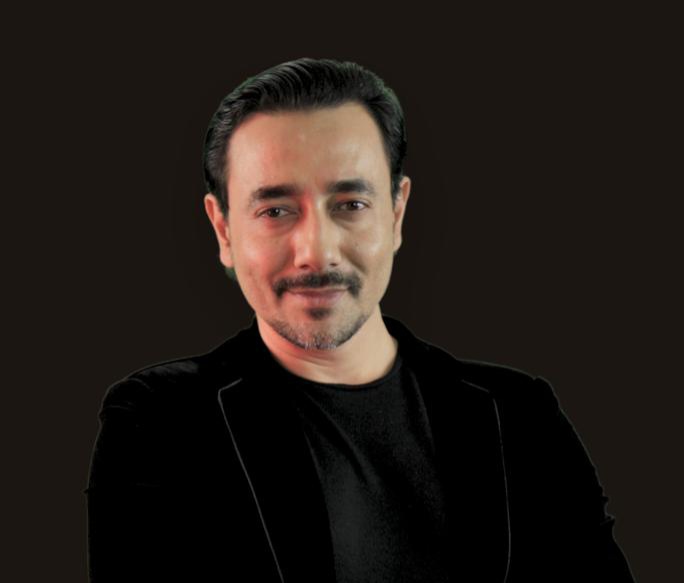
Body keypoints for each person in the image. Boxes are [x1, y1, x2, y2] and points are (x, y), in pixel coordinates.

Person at [85, 58, 635, 582]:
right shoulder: (159, 422)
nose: (316, 252)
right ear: (223, 229)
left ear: (396, 213)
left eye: (350, 204)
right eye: (275, 211)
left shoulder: (520, 416)